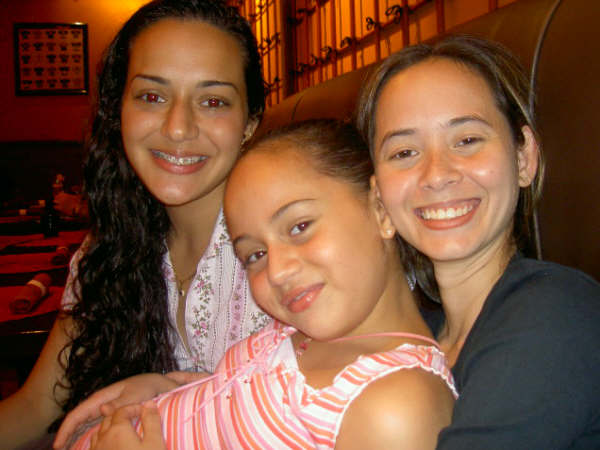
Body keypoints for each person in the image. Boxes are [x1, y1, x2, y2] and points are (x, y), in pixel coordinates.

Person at [66, 119, 457, 449]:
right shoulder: (301, 332)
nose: (277, 271)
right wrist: (164, 390)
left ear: (381, 208)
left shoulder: (396, 406)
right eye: (255, 254)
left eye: (299, 227)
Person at [0, 1, 271, 447]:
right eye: (152, 96)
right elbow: (34, 407)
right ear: (117, 110)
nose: (178, 128)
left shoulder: (288, 253)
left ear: (250, 122)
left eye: (213, 101)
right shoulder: (108, 248)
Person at [356, 34, 600, 449]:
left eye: (467, 141)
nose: (437, 174)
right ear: (378, 195)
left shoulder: (557, 314)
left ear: (524, 158)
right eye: (404, 153)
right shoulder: (415, 339)